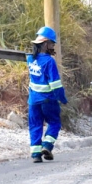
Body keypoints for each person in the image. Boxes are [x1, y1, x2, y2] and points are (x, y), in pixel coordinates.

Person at [27, 26, 67, 163]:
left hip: (33, 100)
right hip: (48, 100)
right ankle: (47, 146)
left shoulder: (30, 59)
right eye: (52, 44)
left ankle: (36, 155)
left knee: (35, 125)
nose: (53, 46)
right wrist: (62, 98)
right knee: (55, 123)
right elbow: (55, 84)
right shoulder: (50, 61)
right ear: (45, 44)